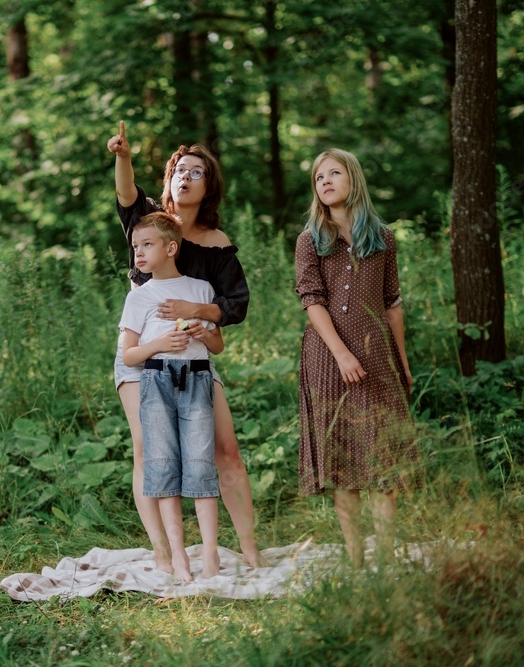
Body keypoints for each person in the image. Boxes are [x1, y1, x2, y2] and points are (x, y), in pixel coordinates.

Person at [107, 120, 268, 570]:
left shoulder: (216, 244)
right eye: (180, 170)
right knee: (148, 450)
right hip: (141, 356)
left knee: (226, 449)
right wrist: (123, 157)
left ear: (208, 186)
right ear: (170, 179)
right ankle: (164, 553)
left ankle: (250, 549)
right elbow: (125, 193)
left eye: (197, 172)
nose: (186, 177)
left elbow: (235, 305)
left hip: (194, 358)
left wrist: (197, 311)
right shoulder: (151, 224)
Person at [293, 148, 421, 568]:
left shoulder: (383, 238)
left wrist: (402, 363)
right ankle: (354, 558)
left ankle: (385, 556)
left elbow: (392, 305)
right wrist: (342, 355)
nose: (325, 181)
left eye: (334, 173)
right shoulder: (310, 240)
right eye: (319, 177)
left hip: (377, 354)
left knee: (384, 457)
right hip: (327, 357)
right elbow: (312, 301)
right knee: (341, 457)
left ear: (353, 179)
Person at [119, 212, 224, 582]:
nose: (138, 253)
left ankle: (210, 554)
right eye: (135, 246)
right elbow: (129, 355)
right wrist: (161, 343)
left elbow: (218, 345)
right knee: (162, 465)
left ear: (171, 248)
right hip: (156, 381)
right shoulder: (139, 297)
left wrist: (203, 332)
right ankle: (178, 557)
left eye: (147, 245)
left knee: (200, 464)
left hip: (197, 380)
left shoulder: (201, 290)